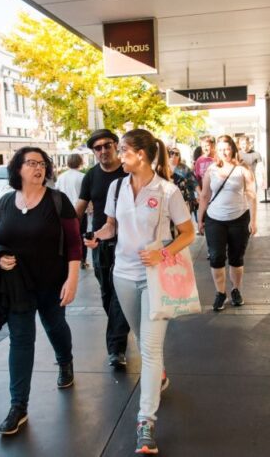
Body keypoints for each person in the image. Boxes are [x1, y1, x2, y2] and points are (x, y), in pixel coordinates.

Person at [85, 129, 194, 455]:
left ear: (141, 155)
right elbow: (111, 226)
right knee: (141, 338)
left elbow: (188, 233)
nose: (118, 155)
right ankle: (158, 373)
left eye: (122, 150)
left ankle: (145, 423)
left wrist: (163, 253)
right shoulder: (116, 187)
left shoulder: (167, 191)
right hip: (122, 275)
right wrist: (96, 235)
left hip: (156, 277)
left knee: (148, 348)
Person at [0, 146, 81, 436]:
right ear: (18, 169)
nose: (38, 168)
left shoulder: (57, 200)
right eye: (31, 163)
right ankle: (18, 406)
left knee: (55, 326)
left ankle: (65, 361)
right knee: (21, 341)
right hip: (17, 288)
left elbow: (75, 242)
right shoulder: (4, 203)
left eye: (42, 164)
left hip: (52, 282)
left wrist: (73, 278)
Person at [75, 129, 131, 369]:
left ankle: (116, 348)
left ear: (116, 145)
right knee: (108, 293)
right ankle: (119, 329)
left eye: (107, 145)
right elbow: (79, 209)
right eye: (97, 148)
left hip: (128, 242)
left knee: (121, 293)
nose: (103, 151)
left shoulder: (128, 171)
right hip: (100, 243)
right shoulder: (91, 176)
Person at [197, 135, 257, 311]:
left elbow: (252, 195)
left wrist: (253, 220)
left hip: (239, 219)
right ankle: (220, 293)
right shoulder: (211, 170)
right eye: (221, 149)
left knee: (236, 258)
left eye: (227, 148)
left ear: (233, 148)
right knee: (216, 257)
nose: (224, 152)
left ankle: (236, 291)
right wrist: (200, 219)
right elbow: (205, 196)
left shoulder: (243, 169)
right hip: (215, 220)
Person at [57, 154, 89, 267]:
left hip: (64, 212)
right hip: (80, 211)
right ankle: (82, 260)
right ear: (80, 162)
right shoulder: (83, 177)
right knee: (81, 236)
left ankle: (67, 259)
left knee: (66, 236)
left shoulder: (61, 177)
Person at [169, 147, 198, 222]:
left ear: (179, 157)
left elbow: (194, 182)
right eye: (172, 153)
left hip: (184, 199)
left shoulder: (184, 168)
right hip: (168, 200)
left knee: (184, 221)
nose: (174, 155)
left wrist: (200, 194)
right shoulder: (163, 167)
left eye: (177, 154)